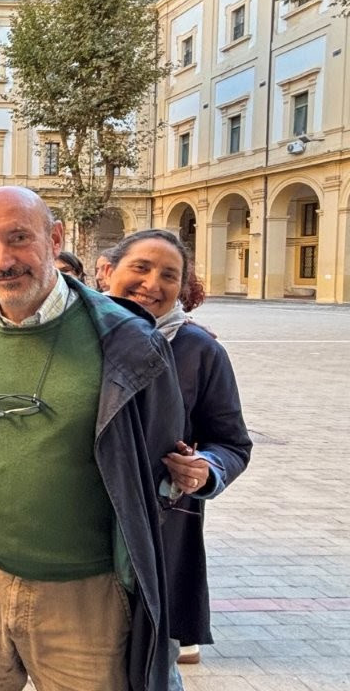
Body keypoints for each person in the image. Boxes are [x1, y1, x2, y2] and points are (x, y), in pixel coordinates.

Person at [0, 186, 184, 691]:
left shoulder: (130, 342)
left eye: (19, 238)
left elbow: (158, 463)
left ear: (55, 238)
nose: (3, 260)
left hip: (86, 598)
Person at [104, 229, 252, 688]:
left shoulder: (200, 351)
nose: (153, 283)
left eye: (169, 275)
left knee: (152, 668)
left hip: (159, 538)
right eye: (141, 268)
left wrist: (206, 468)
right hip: (79, 541)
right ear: (107, 271)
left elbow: (232, 443)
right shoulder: (78, 338)